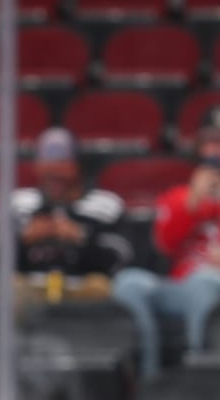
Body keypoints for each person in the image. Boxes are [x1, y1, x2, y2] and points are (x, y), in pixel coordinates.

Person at [116, 105, 220, 375]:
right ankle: (149, 375)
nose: (217, 151)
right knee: (129, 283)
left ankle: (198, 379)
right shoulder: (179, 197)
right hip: (178, 286)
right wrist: (192, 202)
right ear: (199, 146)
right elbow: (164, 245)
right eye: (210, 142)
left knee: (201, 283)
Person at [11, 128, 140, 309]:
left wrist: (82, 238)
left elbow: (123, 258)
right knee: (11, 286)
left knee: (98, 286)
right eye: (49, 170)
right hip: (31, 285)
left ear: (77, 166)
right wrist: (23, 240)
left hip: (82, 285)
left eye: (62, 168)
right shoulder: (19, 203)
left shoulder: (105, 205)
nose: (55, 177)